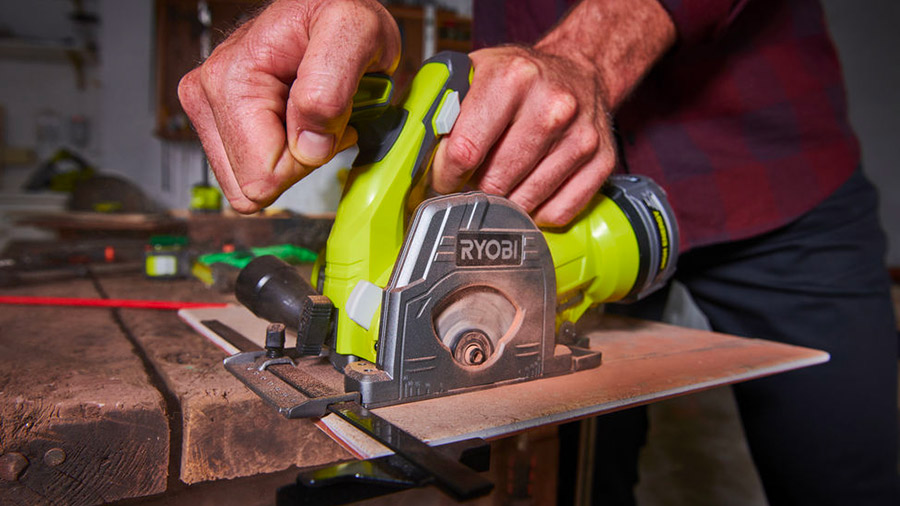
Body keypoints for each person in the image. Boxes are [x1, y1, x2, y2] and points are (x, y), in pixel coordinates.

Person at [178, 0, 899, 504]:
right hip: (555, 190)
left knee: (847, 473)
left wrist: (585, 52)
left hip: (767, 171)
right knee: (580, 481)